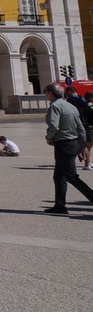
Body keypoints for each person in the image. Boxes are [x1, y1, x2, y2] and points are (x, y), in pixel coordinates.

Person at [43, 82, 93, 215]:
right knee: (59, 176)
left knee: (71, 177)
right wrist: (81, 147)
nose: (45, 95)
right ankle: (60, 205)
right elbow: (81, 128)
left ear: (51, 93)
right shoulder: (70, 106)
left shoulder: (55, 106)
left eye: (46, 92)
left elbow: (53, 126)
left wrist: (49, 136)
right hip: (73, 143)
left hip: (63, 144)